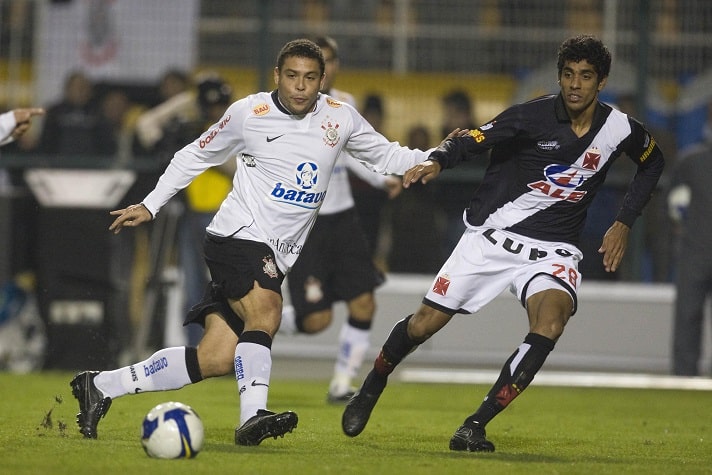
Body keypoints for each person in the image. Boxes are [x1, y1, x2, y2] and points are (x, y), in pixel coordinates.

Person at [69, 38, 448, 446]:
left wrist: (441, 153)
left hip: (277, 253)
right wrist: (150, 204)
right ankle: (252, 416)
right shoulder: (249, 113)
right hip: (237, 235)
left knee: (214, 357)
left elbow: (387, 155)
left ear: (323, 80)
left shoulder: (341, 117)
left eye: (309, 78)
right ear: (277, 77)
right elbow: (194, 155)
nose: (300, 86)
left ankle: (101, 385)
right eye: (292, 77)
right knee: (266, 310)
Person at [342, 35, 665, 452]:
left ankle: (474, 425)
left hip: (554, 251)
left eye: (585, 76)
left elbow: (653, 160)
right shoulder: (532, 116)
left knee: (550, 323)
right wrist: (438, 159)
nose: (574, 85)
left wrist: (623, 222)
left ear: (601, 82)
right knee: (424, 324)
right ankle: (372, 385)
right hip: (493, 237)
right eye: (568, 74)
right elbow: (475, 138)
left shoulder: (619, 128)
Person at [279, 36, 402, 403]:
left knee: (364, 302)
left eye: (331, 61)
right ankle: (256, 321)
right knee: (316, 321)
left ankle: (342, 384)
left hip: (343, 220)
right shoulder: (281, 109)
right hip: (306, 226)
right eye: (322, 61)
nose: (327, 68)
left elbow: (353, 154)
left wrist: (383, 178)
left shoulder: (344, 105)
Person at [668, 112, 712, 376]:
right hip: (694, 250)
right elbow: (673, 205)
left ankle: (683, 375)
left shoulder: (691, 160)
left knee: (687, 315)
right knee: (687, 315)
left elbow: (673, 207)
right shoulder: (691, 161)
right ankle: (683, 377)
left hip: (694, 250)